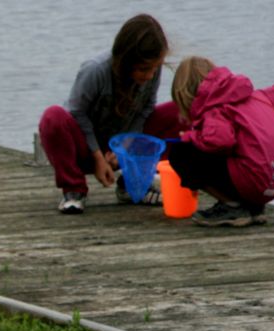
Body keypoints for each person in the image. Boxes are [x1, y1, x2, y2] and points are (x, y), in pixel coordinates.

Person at [38, 14, 185, 214]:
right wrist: (98, 157)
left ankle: (133, 184)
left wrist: (126, 145)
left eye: (155, 68)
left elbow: (146, 110)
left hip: (121, 144)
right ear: (126, 61)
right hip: (86, 147)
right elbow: (77, 114)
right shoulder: (95, 71)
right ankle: (74, 191)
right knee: (52, 117)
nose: (150, 75)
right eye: (144, 69)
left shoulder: (153, 69)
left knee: (181, 111)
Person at [169, 57, 274, 227]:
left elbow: (220, 142)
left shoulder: (215, 107)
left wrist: (190, 137)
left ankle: (232, 206)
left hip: (255, 180)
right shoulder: (262, 96)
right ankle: (253, 207)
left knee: (181, 153)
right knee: (241, 155)